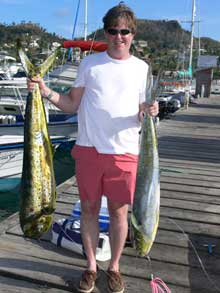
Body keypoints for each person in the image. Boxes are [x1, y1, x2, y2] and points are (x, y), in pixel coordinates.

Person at [28, 3, 159, 293]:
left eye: (124, 31)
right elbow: (72, 103)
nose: (118, 36)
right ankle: (90, 266)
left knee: (119, 213)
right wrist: (45, 91)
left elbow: (141, 110)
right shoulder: (89, 65)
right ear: (106, 32)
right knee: (88, 209)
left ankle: (113, 267)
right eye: (113, 31)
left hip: (125, 152)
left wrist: (150, 109)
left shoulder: (142, 69)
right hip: (88, 150)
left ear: (133, 34)